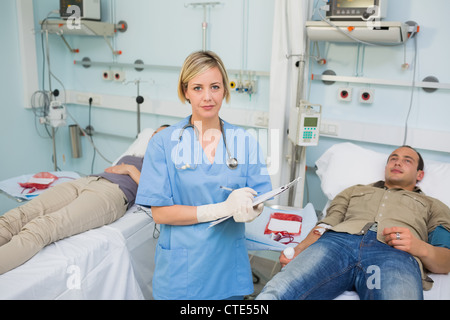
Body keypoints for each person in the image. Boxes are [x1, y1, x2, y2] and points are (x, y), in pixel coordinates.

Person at [136, 50, 272, 300]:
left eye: (215, 87)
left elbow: (261, 194)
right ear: (185, 91)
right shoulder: (163, 143)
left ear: (225, 90)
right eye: (198, 88)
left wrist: (254, 209)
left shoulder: (244, 141)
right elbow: (160, 212)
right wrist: (220, 209)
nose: (207, 97)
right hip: (182, 273)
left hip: (227, 270)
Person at [256, 145, 450, 300]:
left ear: (419, 175)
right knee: (276, 292)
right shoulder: (354, 190)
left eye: (407, 161)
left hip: (395, 254)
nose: (398, 163)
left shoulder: (433, 205)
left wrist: (419, 247)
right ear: (386, 167)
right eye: (393, 158)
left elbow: (446, 261)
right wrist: (300, 249)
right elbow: (326, 224)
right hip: (336, 245)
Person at [0, 125, 167, 275]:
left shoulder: (166, 168)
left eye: (160, 137)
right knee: (16, 217)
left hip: (111, 193)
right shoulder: (133, 156)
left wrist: (130, 170)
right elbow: (110, 169)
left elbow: (156, 194)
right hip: (86, 181)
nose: (154, 139)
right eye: (153, 134)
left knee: (43, 227)